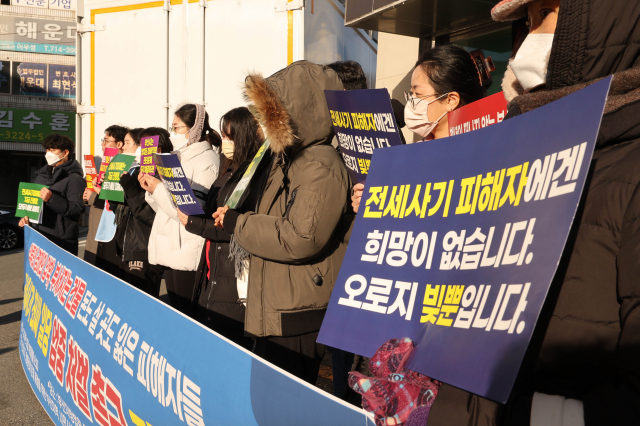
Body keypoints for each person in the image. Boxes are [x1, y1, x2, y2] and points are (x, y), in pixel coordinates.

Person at [426, 0, 640, 425]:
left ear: (601, 17)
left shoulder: (628, 169)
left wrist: (513, 416)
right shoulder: (515, 156)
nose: (529, 38)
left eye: (545, 13)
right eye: (527, 21)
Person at [212, 61, 352, 384]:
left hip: (297, 312)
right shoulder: (287, 158)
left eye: (269, 112)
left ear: (294, 112)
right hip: (278, 303)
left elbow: (300, 237)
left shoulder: (319, 164)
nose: (261, 121)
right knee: (269, 399)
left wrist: (239, 224)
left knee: (287, 403)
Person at [351, 45, 486, 213]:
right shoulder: (407, 158)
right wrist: (368, 204)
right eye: (410, 94)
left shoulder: (483, 158)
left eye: (418, 94)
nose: (411, 102)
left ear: (451, 100)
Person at [177, 107, 263, 349]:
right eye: (223, 135)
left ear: (244, 136)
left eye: (229, 136)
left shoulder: (254, 175)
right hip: (211, 268)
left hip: (232, 272)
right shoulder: (227, 171)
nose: (224, 141)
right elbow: (213, 214)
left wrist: (193, 223)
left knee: (228, 344)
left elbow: (235, 226)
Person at [140, 104, 221, 314]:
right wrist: (152, 189)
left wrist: (159, 189)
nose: (173, 133)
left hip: (187, 247)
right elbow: (162, 208)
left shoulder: (207, 160)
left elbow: (190, 211)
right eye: (172, 127)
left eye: (177, 128)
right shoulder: (177, 158)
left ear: (194, 130)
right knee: (175, 311)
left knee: (187, 312)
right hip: (170, 246)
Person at [116, 128, 173, 297]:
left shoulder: (164, 174)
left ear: (158, 149)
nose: (140, 150)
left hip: (143, 248)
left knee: (139, 299)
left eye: (143, 145)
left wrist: (131, 189)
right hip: (129, 246)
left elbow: (151, 215)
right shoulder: (138, 171)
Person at [19, 134, 86, 255]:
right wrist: (26, 219)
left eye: (52, 150)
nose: (48, 154)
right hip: (38, 236)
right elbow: (33, 206)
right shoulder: (42, 176)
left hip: (60, 240)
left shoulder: (75, 179)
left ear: (65, 152)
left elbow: (77, 209)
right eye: (47, 150)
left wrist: (51, 199)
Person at [83, 125, 127, 264]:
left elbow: (117, 203)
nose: (103, 144)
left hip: (109, 235)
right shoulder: (106, 167)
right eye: (103, 140)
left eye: (107, 141)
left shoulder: (125, 169)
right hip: (95, 230)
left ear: (119, 144)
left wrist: (93, 196)